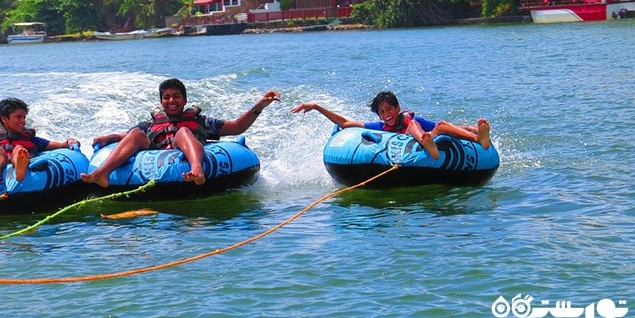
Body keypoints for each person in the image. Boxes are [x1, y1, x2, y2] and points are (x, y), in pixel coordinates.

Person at [81, 78, 280, 187]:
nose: (171, 100)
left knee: (183, 131)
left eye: (176, 96)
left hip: (186, 148)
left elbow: (237, 127)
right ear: (161, 102)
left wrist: (259, 106)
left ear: (185, 101)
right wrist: (110, 137)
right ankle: (103, 173)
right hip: (157, 155)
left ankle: (197, 169)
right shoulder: (151, 122)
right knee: (136, 134)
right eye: (166, 97)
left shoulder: (200, 120)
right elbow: (128, 138)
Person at [291, 91, 490, 160]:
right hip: (424, 142)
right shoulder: (380, 127)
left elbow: (444, 127)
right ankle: (428, 144)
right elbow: (345, 123)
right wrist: (316, 106)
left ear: (397, 108)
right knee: (433, 127)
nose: (386, 115)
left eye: (389, 109)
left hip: (431, 137)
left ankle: (478, 138)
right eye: (382, 112)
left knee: (442, 125)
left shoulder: (410, 119)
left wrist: (471, 131)